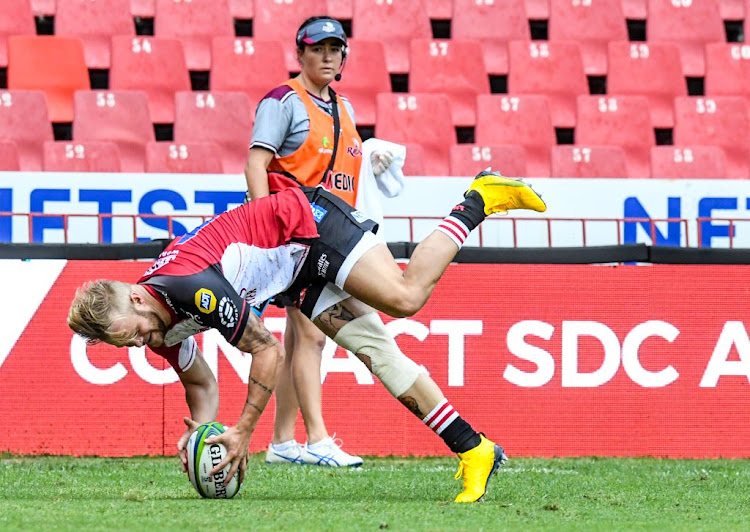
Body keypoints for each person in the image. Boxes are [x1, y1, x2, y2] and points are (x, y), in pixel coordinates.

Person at [67, 169, 547, 503]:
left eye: (124, 334)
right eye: (120, 344)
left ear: (133, 297)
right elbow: (201, 385)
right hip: (293, 274)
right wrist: (204, 433)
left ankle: (478, 199)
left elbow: (267, 349)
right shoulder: (158, 327)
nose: (134, 345)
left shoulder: (186, 286)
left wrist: (242, 433)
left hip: (308, 227)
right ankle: (474, 449)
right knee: (378, 353)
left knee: (404, 298)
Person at [244, 16, 393, 467]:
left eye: (335, 48)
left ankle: (284, 443)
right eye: (318, 48)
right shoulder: (283, 101)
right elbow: (256, 164)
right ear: (301, 53)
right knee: (310, 334)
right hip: (292, 232)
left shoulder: (342, 107)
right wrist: (263, 223)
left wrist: (373, 160)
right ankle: (319, 440)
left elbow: (343, 168)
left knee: (300, 337)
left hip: (328, 234)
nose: (328, 56)